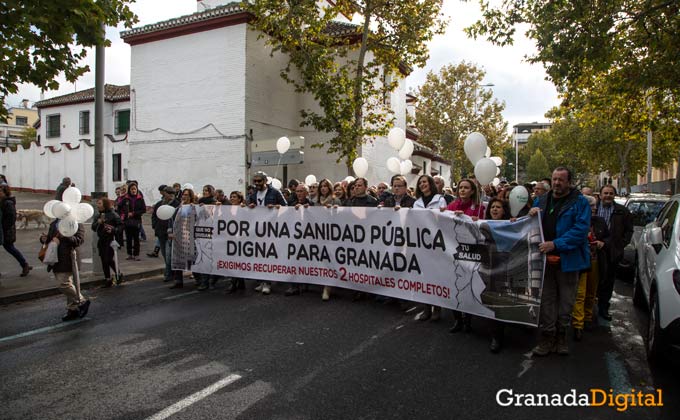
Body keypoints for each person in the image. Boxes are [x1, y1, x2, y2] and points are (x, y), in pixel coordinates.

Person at [531, 167, 590, 356]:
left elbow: (580, 231)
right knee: (547, 301)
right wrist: (530, 215)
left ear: (569, 182)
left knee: (566, 302)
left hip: (568, 261)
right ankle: (547, 337)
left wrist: (555, 245)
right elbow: (530, 228)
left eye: (561, 180)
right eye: (554, 179)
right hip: (544, 260)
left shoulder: (580, 202)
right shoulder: (540, 200)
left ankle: (561, 336)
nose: (557, 183)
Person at [446, 178, 485, 333]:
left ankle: (468, 319)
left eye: (466, 188)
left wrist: (476, 221)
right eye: (460, 187)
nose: (462, 190)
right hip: (452, 250)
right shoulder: (452, 206)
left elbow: (483, 227)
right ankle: (457, 320)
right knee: (453, 284)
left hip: (471, 252)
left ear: (472, 191)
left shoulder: (480, 208)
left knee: (468, 286)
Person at [571, 195, 608, 340]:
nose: (594, 209)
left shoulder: (600, 221)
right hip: (580, 259)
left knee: (591, 291)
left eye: (594, 206)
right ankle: (577, 324)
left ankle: (587, 317)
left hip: (594, 260)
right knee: (580, 292)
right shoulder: (576, 220)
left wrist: (602, 242)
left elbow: (607, 237)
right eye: (591, 206)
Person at [596, 184, 633, 321]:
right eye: (605, 193)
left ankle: (603, 308)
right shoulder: (593, 209)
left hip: (612, 252)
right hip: (594, 250)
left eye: (611, 193)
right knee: (593, 280)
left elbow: (629, 231)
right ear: (600, 195)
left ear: (614, 195)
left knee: (608, 281)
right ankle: (588, 310)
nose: (608, 196)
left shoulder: (622, 211)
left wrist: (620, 245)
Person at [41, 218, 90, 321]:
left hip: (68, 258)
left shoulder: (76, 223)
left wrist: (66, 237)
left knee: (64, 284)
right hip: (55, 257)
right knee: (68, 283)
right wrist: (44, 239)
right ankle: (72, 309)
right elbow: (50, 239)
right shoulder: (54, 223)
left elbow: (79, 240)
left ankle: (81, 301)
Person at [246, 171, 287, 295]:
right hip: (258, 230)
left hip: (271, 229)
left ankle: (268, 283)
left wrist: (275, 207)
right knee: (259, 256)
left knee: (268, 256)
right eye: (255, 181)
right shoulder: (253, 194)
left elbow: (286, 206)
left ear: (265, 181)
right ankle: (262, 281)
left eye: (259, 181)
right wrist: (250, 206)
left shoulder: (275, 192)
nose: (257, 183)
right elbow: (247, 205)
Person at [413, 175, 447, 321]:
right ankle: (426, 308)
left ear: (431, 184)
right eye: (420, 183)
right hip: (421, 243)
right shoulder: (417, 202)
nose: (422, 184)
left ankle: (437, 309)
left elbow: (444, 219)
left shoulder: (439, 199)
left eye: (424, 182)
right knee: (423, 276)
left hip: (436, 243)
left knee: (436, 276)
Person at [481, 198, 511, 353]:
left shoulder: (511, 225)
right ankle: (495, 336)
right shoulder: (483, 224)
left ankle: (500, 335)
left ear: (504, 210)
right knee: (490, 299)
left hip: (504, 268)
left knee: (500, 301)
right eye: (492, 207)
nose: (494, 209)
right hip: (487, 268)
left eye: (498, 207)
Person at [285, 184, 315, 296]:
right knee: (294, 260)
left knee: (306, 260)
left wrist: (310, 210)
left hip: (307, 237)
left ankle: (306, 283)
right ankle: (294, 286)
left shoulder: (311, 204)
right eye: (297, 191)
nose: (299, 193)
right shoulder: (291, 204)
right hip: (294, 237)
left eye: (301, 191)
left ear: (306, 193)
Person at [168, 188, 197, 289]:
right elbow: (171, 221)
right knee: (177, 258)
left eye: (187, 195)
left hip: (191, 238)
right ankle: (178, 281)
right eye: (183, 195)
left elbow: (202, 218)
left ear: (191, 197)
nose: (184, 197)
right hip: (178, 238)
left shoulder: (194, 208)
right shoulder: (178, 208)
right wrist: (170, 232)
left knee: (192, 259)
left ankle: (199, 280)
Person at [0, 185, 32, 277]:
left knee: (10, 248)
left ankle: (24, 264)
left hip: (7, 231)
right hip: (3, 229)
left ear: (5, 193)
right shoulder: (2, 202)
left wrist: (3, 227)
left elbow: (11, 218)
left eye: (0, 192)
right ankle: (24, 264)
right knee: (10, 248)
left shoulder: (8, 203)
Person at [92, 198, 122, 287]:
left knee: (108, 259)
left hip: (111, 240)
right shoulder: (98, 216)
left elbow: (120, 226)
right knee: (103, 260)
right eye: (97, 203)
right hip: (101, 240)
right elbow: (93, 228)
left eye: (100, 203)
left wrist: (113, 229)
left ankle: (118, 273)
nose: (98, 205)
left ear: (105, 204)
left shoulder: (113, 214)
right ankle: (108, 279)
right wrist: (98, 223)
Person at [153, 186, 180, 283]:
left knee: (169, 256)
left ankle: (168, 274)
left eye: (173, 194)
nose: (172, 196)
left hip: (171, 234)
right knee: (164, 254)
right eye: (170, 194)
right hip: (161, 233)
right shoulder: (159, 204)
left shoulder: (177, 204)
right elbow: (154, 216)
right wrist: (155, 226)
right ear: (165, 194)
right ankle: (170, 272)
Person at [224, 191, 246, 293]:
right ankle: (240, 282)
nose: (232, 198)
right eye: (231, 197)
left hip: (241, 240)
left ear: (240, 199)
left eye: (234, 197)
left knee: (238, 261)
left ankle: (234, 283)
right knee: (233, 261)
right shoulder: (227, 209)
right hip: (231, 239)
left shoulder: (243, 209)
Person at [118, 183, 146, 261]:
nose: (133, 191)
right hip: (127, 221)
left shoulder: (140, 199)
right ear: (129, 190)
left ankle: (136, 254)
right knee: (129, 239)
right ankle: (129, 254)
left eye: (135, 189)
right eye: (132, 189)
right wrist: (124, 214)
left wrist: (134, 213)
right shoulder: (125, 199)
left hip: (136, 221)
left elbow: (143, 210)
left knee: (136, 239)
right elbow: (119, 208)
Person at [147, 185, 168, 258]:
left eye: (161, 191)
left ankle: (156, 251)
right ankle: (156, 251)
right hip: (160, 225)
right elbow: (155, 214)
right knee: (160, 239)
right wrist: (154, 224)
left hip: (167, 226)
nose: (160, 193)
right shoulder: (160, 202)